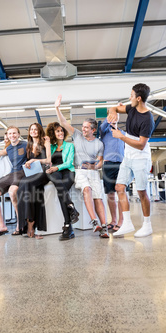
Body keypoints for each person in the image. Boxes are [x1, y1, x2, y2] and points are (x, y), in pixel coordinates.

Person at [55, 95, 109, 238]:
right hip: (79, 171)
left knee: (98, 198)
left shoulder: (99, 144)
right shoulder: (77, 135)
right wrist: (57, 108)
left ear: (93, 130)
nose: (83, 129)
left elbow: (101, 162)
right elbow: (63, 122)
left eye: (86, 128)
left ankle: (104, 228)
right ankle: (93, 221)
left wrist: (95, 166)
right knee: (87, 189)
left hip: (93, 172)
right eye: (83, 127)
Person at [107, 83, 155, 237]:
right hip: (128, 157)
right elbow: (113, 107)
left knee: (141, 192)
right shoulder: (132, 108)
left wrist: (121, 136)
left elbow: (141, 145)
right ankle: (127, 223)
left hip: (141, 158)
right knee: (120, 187)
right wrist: (112, 112)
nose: (129, 98)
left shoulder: (148, 119)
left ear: (139, 98)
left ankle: (147, 225)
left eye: (132, 96)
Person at [0, 126, 27, 237]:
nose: (12, 135)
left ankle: (20, 224)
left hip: (22, 172)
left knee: (12, 192)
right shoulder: (9, 148)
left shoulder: (25, 144)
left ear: (18, 134)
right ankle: (2, 226)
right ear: (7, 135)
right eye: (10, 134)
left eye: (14, 133)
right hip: (11, 174)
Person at [45, 122, 79, 240]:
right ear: (53, 133)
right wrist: (48, 143)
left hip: (67, 171)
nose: (60, 133)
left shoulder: (69, 146)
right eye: (57, 131)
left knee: (61, 193)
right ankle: (71, 207)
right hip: (54, 172)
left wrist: (57, 167)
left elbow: (69, 162)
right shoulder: (52, 147)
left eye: (62, 131)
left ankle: (68, 226)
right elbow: (48, 160)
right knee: (59, 186)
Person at [17, 123, 51, 239]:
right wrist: (28, 164)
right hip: (32, 173)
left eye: (36, 129)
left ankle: (31, 223)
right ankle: (27, 221)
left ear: (39, 131)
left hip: (43, 173)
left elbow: (48, 160)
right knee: (22, 186)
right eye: (31, 129)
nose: (33, 131)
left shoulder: (45, 142)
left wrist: (33, 160)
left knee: (27, 184)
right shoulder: (28, 145)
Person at [100, 114, 125, 232]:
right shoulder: (104, 132)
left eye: (116, 117)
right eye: (112, 117)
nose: (114, 118)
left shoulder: (123, 133)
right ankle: (113, 220)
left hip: (121, 164)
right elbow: (102, 126)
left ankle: (121, 221)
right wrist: (110, 117)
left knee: (121, 193)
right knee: (110, 194)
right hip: (108, 165)